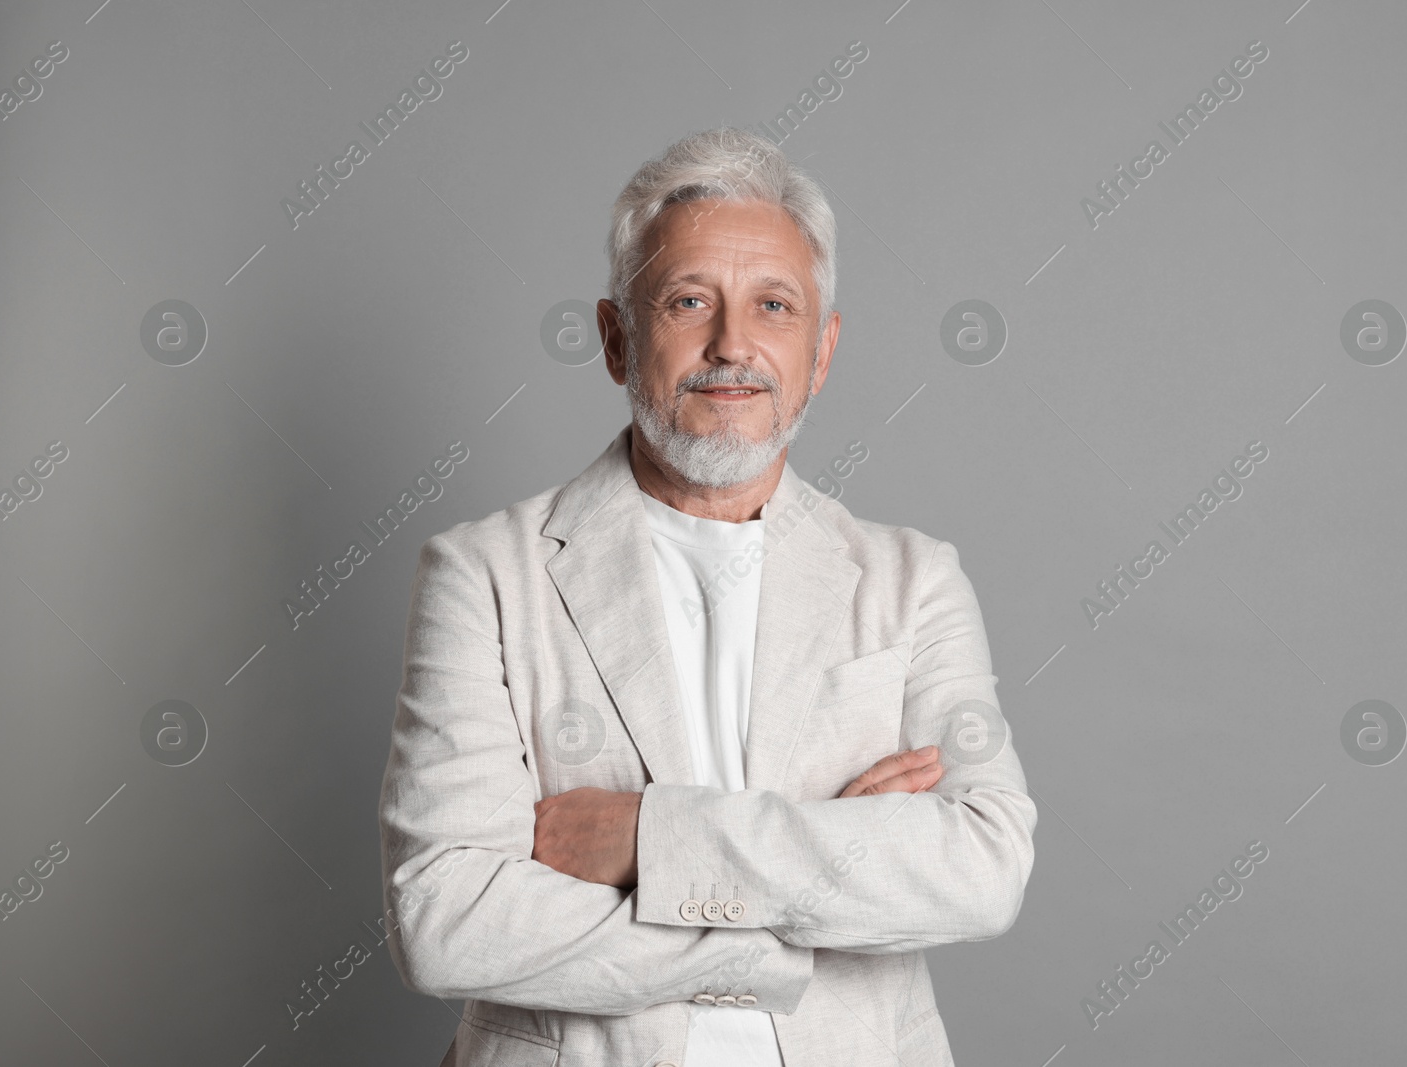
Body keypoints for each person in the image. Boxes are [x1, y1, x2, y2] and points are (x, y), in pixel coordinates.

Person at [378, 126, 1036, 1067]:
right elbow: (447, 919)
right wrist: (813, 892)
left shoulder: (913, 579)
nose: (734, 345)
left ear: (823, 350)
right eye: (689, 301)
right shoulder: (483, 576)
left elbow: (982, 868)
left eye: (775, 305)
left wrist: (654, 837)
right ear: (616, 338)